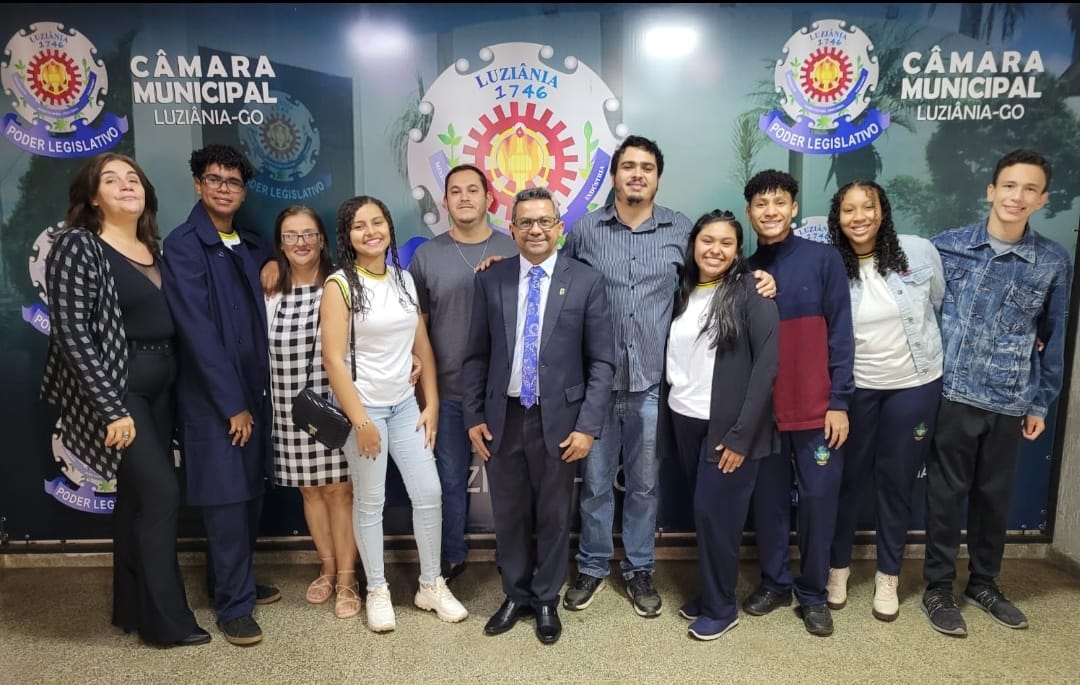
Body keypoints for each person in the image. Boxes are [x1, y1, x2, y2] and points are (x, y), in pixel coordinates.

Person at [560, 135, 776, 618]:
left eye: (647, 168)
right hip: (596, 386)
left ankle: (639, 568)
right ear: (614, 174)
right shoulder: (585, 231)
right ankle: (593, 566)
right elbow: (559, 284)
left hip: (655, 387)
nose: (637, 174)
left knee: (643, 486)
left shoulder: (681, 229)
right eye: (629, 166)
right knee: (594, 484)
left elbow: (712, 273)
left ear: (658, 177)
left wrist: (757, 276)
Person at [41, 152, 209, 648]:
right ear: (93, 196)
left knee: (135, 499)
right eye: (110, 180)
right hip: (122, 389)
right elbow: (71, 332)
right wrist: (110, 407)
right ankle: (167, 624)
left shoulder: (150, 248)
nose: (125, 185)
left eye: (132, 178)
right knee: (161, 495)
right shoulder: (78, 245)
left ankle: (130, 608)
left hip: (162, 387)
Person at [921, 149, 1073, 636]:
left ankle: (984, 583)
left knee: (993, 498)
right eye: (1010, 186)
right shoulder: (946, 247)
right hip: (952, 395)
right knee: (945, 497)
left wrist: (1040, 401)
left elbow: (1055, 335)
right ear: (991, 190)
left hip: (1010, 400)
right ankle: (938, 588)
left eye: (1030, 189)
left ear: (1042, 199)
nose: (1017, 196)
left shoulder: (1052, 261)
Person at [463, 186, 615, 645]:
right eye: (525, 222)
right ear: (511, 229)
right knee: (508, 515)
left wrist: (588, 426)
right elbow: (475, 356)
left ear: (559, 227)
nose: (534, 229)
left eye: (544, 221)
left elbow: (603, 363)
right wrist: (473, 415)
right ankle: (516, 594)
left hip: (562, 422)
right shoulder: (492, 280)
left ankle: (547, 599)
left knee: (552, 514)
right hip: (502, 418)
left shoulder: (586, 281)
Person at [321, 195, 468, 634]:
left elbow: (421, 345)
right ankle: (377, 591)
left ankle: (430, 584)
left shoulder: (404, 279)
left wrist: (433, 402)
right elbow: (332, 360)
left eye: (378, 222)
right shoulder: (340, 286)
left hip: (405, 407)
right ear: (347, 236)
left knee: (429, 492)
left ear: (389, 227)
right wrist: (361, 422)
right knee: (371, 502)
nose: (371, 231)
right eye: (359, 225)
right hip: (363, 411)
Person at [161, 144, 279, 647]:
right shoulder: (184, 245)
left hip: (255, 396)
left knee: (248, 496)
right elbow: (198, 332)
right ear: (197, 185)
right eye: (214, 179)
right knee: (226, 501)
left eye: (233, 181)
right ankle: (233, 607)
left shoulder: (249, 245)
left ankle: (229, 583)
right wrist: (232, 403)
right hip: (216, 403)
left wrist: (272, 259)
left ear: (243, 190)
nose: (224, 188)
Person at [824, 181, 945, 622]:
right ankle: (837, 570)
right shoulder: (831, 264)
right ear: (837, 218)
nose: (859, 217)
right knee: (847, 481)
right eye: (848, 210)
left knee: (896, 483)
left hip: (914, 385)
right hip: (856, 390)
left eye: (867, 208)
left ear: (882, 211)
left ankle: (888, 576)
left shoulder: (917, 252)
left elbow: (937, 305)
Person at [742, 169, 854, 637]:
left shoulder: (824, 260)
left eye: (779, 202)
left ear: (793, 208)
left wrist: (840, 400)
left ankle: (812, 593)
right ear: (749, 213)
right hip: (764, 414)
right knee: (768, 504)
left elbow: (841, 333)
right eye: (761, 204)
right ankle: (775, 582)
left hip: (817, 409)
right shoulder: (742, 269)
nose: (770, 211)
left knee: (817, 501)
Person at [664, 210, 779, 641]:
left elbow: (767, 367)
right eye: (707, 240)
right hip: (685, 418)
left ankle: (721, 607)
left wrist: (741, 435)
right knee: (706, 516)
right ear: (694, 244)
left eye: (726, 243)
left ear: (738, 250)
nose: (715, 249)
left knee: (719, 518)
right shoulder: (686, 291)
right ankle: (712, 593)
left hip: (726, 427)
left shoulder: (752, 290)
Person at [408, 164, 518, 584]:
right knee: (450, 481)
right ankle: (452, 555)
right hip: (447, 392)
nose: (465, 197)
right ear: (446, 201)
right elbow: (417, 326)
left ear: (489, 198)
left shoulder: (514, 249)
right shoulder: (427, 256)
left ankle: (512, 557)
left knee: (510, 483)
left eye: (474, 190)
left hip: (503, 393)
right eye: (456, 191)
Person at [265, 205, 361, 619]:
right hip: (289, 410)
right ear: (280, 244)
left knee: (341, 492)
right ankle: (325, 564)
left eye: (308, 234)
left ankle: (347, 577)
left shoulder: (342, 285)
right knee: (310, 491)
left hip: (335, 407)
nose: (300, 242)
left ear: (323, 240)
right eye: (291, 235)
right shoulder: (270, 290)